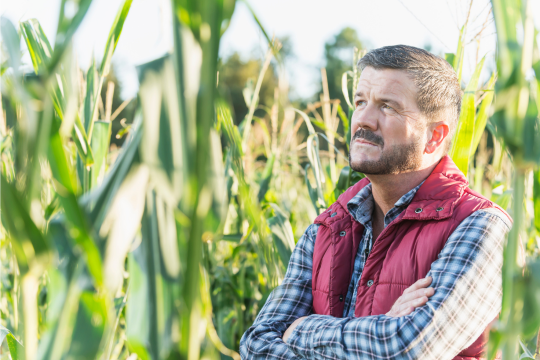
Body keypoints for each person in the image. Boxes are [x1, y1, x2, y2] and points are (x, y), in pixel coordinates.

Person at [239, 45, 512, 360]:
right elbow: (256, 345)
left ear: (435, 136)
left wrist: (300, 329)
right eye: (360, 102)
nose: (363, 120)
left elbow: (407, 349)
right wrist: (383, 326)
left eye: (388, 106)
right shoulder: (326, 229)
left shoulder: (482, 227)